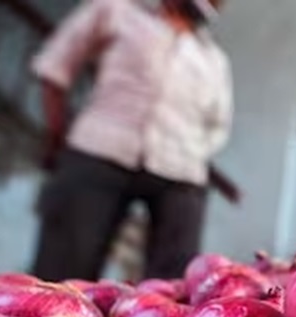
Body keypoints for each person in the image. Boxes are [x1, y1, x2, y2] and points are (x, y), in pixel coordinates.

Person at [29, 0, 235, 282]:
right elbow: (55, 66)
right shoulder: (116, 11)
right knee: (61, 272)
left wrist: (192, 153)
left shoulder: (213, 59)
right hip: (99, 150)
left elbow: (218, 125)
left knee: (176, 284)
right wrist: (57, 135)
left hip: (182, 170)